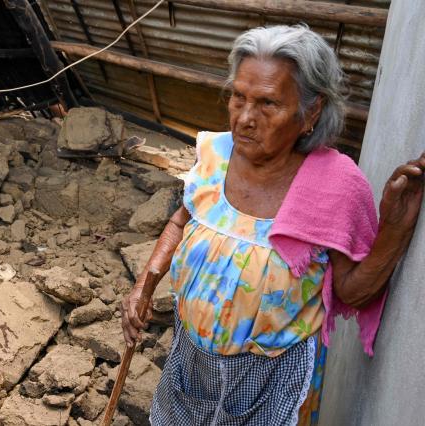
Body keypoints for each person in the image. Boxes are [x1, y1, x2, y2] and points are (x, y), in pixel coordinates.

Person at [121, 24, 425, 426]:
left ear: (310, 112)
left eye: (267, 104)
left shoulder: (336, 185)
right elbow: (183, 218)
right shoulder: (216, 154)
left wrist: (394, 231)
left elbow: (351, 292)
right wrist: (146, 283)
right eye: (238, 97)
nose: (245, 118)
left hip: (272, 379)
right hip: (189, 358)